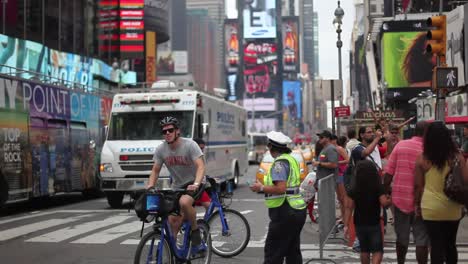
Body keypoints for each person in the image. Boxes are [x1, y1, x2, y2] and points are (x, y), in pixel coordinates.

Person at [414, 121, 468, 264]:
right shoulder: (457, 157)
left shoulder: (422, 159)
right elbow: (465, 181)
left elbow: (418, 186)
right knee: (450, 244)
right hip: (453, 206)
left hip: (430, 207)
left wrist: (417, 205)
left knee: (436, 245)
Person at [147, 116, 206, 247]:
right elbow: (155, 171)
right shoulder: (161, 149)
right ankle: (173, 251)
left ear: (177, 131)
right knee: (172, 220)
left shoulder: (190, 145)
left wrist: (196, 184)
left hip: (195, 182)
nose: (167, 133)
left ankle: (195, 230)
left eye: (170, 130)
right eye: (164, 131)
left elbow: (201, 166)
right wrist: (150, 187)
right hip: (177, 185)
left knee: (184, 202)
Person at [250, 131, 307, 264]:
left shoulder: (279, 164)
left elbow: (281, 189)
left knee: (273, 253)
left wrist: (261, 188)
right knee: (293, 252)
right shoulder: (291, 159)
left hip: (285, 212)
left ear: (270, 146)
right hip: (296, 210)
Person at [383, 121, 430, 264]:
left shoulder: (401, 145)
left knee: (402, 238)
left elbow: (389, 173)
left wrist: (386, 192)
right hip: (422, 200)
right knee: (421, 239)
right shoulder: (429, 149)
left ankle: (401, 262)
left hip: (400, 199)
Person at [345, 126, 383, 248]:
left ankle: (370, 240)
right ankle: (356, 239)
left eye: (372, 132)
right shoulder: (357, 149)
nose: (371, 134)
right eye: (369, 132)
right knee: (358, 212)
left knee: (373, 213)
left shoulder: (374, 147)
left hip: (372, 186)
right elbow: (365, 153)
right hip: (360, 187)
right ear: (361, 135)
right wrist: (377, 138)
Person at [351, 160, 392, 264]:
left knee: (364, 250)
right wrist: (391, 199)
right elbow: (384, 203)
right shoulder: (377, 186)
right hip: (374, 222)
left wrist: (347, 224)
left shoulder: (355, 188)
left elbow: (348, 206)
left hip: (359, 222)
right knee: (377, 250)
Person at [331, 135, 349, 225]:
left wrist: (337, 163)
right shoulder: (331, 150)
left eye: (332, 140)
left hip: (342, 175)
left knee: (343, 198)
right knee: (340, 198)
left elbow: (347, 160)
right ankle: (343, 217)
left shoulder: (340, 149)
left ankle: (346, 220)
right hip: (336, 175)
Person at [193, 138, 212, 210]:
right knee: (208, 205)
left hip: (200, 187)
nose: (201, 151)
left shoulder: (201, 157)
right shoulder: (191, 157)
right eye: (200, 148)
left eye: (203, 149)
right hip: (194, 186)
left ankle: (205, 221)